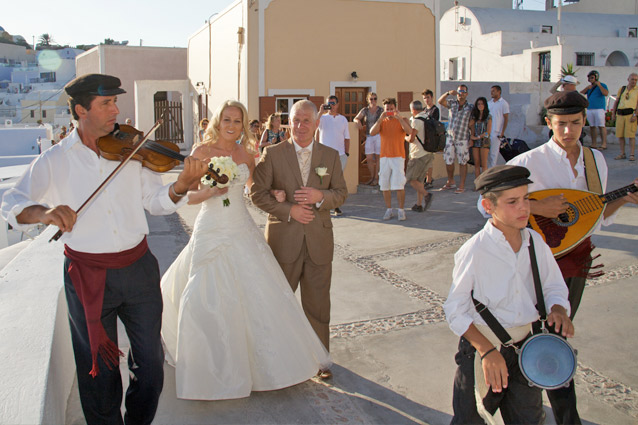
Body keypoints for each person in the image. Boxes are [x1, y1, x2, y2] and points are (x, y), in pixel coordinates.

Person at [0, 73, 208, 425]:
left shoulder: (132, 148)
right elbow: (13, 201)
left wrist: (182, 185)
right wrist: (46, 213)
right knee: (98, 370)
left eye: (115, 101)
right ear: (81, 110)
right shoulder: (55, 159)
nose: (116, 110)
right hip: (87, 275)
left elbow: (156, 201)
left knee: (152, 366)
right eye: (106, 104)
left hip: (138, 268)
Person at [161, 100, 331, 400]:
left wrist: (274, 193)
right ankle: (208, 367)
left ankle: (260, 366)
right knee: (203, 293)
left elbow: (254, 190)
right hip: (211, 226)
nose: (231, 125)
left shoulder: (246, 154)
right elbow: (187, 195)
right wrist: (211, 191)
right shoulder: (201, 152)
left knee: (256, 292)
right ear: (217, 121)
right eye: (226, 119)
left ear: (243, 124)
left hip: (241, 225)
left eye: (237, 121)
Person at [508, 91, 638, 424]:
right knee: (533, 335)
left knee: (556, 333)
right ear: (549, 122)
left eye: (576, 123)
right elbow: (489, 204)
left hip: (574, 261)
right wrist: (537, 206)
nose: (568, 131)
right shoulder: (527, 163)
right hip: (533, 261)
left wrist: (626, 199)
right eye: (561, 124)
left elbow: (596, 215)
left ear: (585, 122)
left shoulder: (596, 161)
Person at [444, 165, 573, 425]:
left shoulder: (536, 242)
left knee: (529, 419)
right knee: (471, 420)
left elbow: (554, 287)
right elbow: (454, 309)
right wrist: (486, 350)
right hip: (483, 350)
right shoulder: (475, 250)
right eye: (512, 202)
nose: (523, 208)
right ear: (488, 206)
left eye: (526, 198)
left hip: (526, 350)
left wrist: (558, 308)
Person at [251, 100, 348, 380]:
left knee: (318, 305)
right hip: (283, 240)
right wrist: (288, 210)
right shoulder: (272, 154)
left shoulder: (330, 156)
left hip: (319, 241)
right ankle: (277, 359)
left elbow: (341, 193)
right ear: (287, 123)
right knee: (278, 303)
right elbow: (258, 194)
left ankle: (319, 360)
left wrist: (321, 198)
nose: (300, 126)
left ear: (317, 124)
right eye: (295, 120)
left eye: (307, 120)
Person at [369, 97, 413, 221]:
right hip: (384, 157)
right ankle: (389, 209)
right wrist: (380, 119)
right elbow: (372, 132)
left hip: (398, 157)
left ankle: (401, 210)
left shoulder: (402, 120)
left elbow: (409, 131)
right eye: (387, 109)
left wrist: (399, 118)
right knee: (384, 185)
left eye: (391, 109)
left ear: (395, 108)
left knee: (399, 185)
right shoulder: (382, 122)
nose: (389, 111)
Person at [316, 95, 350, 216]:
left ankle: (336, 206)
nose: (331, 105)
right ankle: (323, 204)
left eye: (333, 103)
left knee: (336, 182)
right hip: (324, 155)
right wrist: (320, 112)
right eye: (329, 103)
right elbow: (314, 125)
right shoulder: (323, 118)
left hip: (340, 155)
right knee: (324, 181)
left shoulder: (343, 119)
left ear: (337, 104)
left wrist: (346, 153)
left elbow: (347, 138)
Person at [438, 85, 473, 193]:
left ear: (466, 94)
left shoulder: (470, 107)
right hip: (450, 137)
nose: (460, 94)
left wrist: (471, 136)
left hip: (462, 137)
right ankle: (451, 181)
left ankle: (461, 184)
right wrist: (448, 92)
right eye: (459, 91)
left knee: (463, 161)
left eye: (463, 92)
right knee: (449, 160)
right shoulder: (452, 104)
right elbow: (440, 101)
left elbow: (474, 121)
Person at [406, 100, 434, 213]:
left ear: (413, 110)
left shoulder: (417, 121)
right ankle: (419, 204)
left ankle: (427, 195)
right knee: (420, 180)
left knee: (411, 179)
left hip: (418, 155)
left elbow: (411, 139)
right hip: (428, 153)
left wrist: (405, 137)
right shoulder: (427, 117)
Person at [354, 92, 383, 186]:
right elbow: (356, 118)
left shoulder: (380, 110)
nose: (373, 101)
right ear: (368, 100)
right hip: (369, 136)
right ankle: (372, 177)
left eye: (375, 99)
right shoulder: (365, 110)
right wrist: (358, 122)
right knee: (369, 158)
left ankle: (377, 178)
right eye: (371, 99)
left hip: (379, 135)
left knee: (378, 158)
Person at [611, 72, 638, 162]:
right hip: (620, 114)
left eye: (635, 80)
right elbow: (617, 101)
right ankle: (622, 153)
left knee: (631, 135)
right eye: (632, 79)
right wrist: (613, 113)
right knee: (620, 135)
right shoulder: (622, 89)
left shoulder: (637, 90)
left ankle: (631, 154)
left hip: (630, 114)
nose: (634, 81)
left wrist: (635, 114)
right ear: (628, 79)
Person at [580, 70, 609, 150]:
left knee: (601, 126)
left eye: (592, 77)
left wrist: (599, 85)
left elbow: (605, 93)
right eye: (589, 78)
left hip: (599, 108)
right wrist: (587, 88)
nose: (591, 79)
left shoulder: (602, 85)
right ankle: (594, 144)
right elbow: (581, 93)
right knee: (592, 126)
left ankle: (603, 144)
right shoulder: (589, 87)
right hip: (590, 108)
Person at [469, 97, 492, 179]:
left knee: (484, 163)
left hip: (484, 142)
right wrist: (472, 137)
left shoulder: (488, 117)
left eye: (482, 104)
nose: (480, 105)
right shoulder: (474, 117)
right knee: (476, 163)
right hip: (475, 143)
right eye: (478, 104)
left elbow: (488, 132)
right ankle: (477, 183)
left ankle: (485, 183)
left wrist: (478, 137)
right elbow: (469, 126)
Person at [487, 85, 509, 168]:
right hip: (487, 132)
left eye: (493, 91)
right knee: (487, 153)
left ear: (499, 92)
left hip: (496, 132)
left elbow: (506, 118)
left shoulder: (504, 104)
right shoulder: (489, 103)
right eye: (491, 91)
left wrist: (502, 132)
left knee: (493, 154)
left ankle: (491, 172)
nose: (491, 92)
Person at [421, 89, 440, 188]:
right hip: (424, 137)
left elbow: (433, 123)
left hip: (431, 138)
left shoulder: (435, 110)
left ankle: (429, 180)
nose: (426, 100)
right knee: (424, 159)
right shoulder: (424, 110)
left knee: (429, 160)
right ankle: (425, 178)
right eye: (424, 98)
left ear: (431, 97)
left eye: (428, 97)